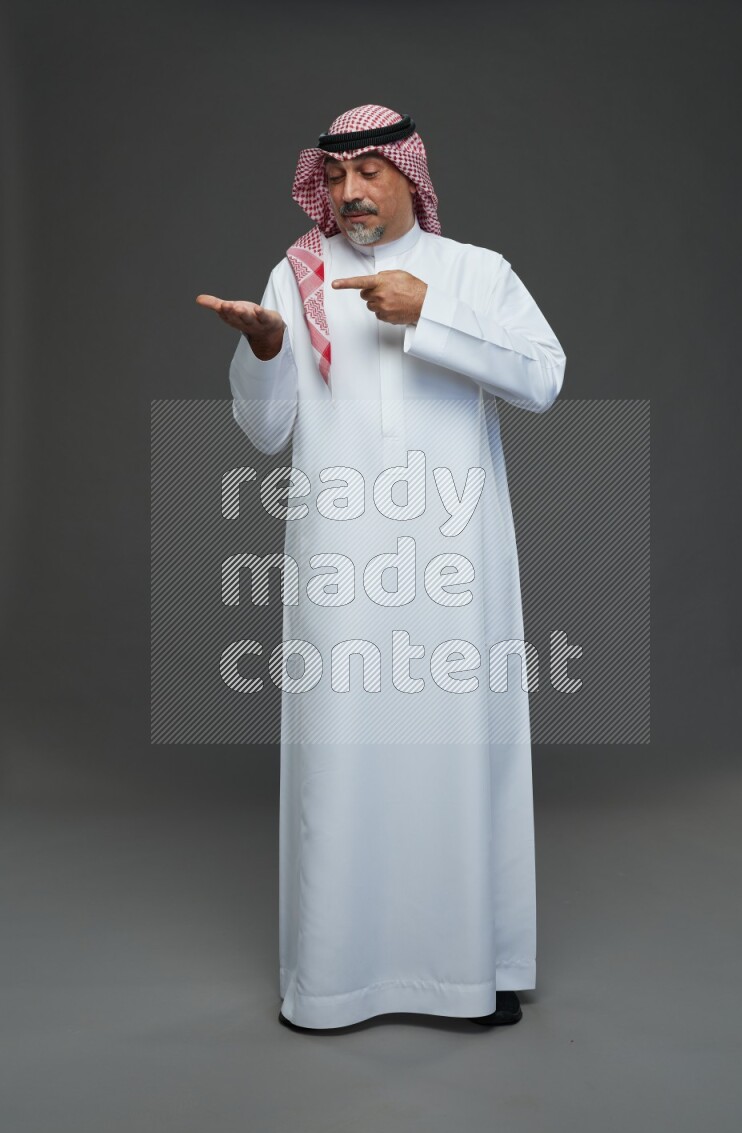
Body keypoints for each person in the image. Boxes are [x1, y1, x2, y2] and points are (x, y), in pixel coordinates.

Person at [196, 104, 566, 1031]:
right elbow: (266, 431)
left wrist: (429, 313)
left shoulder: (475, 272)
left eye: (369, 171)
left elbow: (542, 379)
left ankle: (471, 970)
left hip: (455, 562)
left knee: (459, 752)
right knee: (343, 756)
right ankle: (337, 981)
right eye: (334, 176)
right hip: (342, 564)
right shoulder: (299, 274)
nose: (350, 192)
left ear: (410, 174)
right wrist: (266, 348)